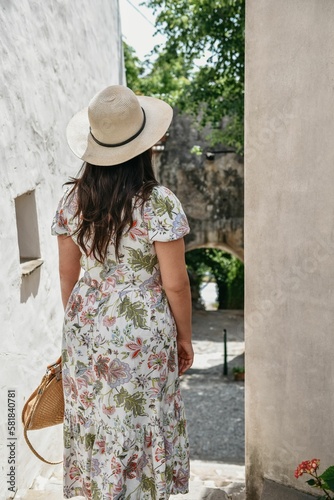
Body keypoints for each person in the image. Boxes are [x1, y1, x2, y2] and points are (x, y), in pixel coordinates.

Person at [51, 85, 194, 500]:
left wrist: (84, 325)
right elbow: (176, 283)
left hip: (85, 323)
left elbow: (67, 274)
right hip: (142, 330)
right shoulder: (159, 203)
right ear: (144, 147)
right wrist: (183, 336)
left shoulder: (71, 200)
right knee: (139, 417)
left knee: (98, 417)